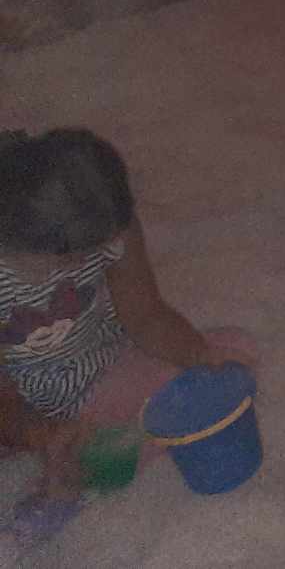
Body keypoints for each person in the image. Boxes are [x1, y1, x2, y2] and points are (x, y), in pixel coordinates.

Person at [1, 130, 254, 530]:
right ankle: (63, 470)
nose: (84, 262)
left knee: (231, 350)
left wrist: (196, 352)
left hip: (98, 368)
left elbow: (146, 316)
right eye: (69, 257)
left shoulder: (111, 229)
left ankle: (83, 454)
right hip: (17, 393)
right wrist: (37, 431)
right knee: (77, 444)